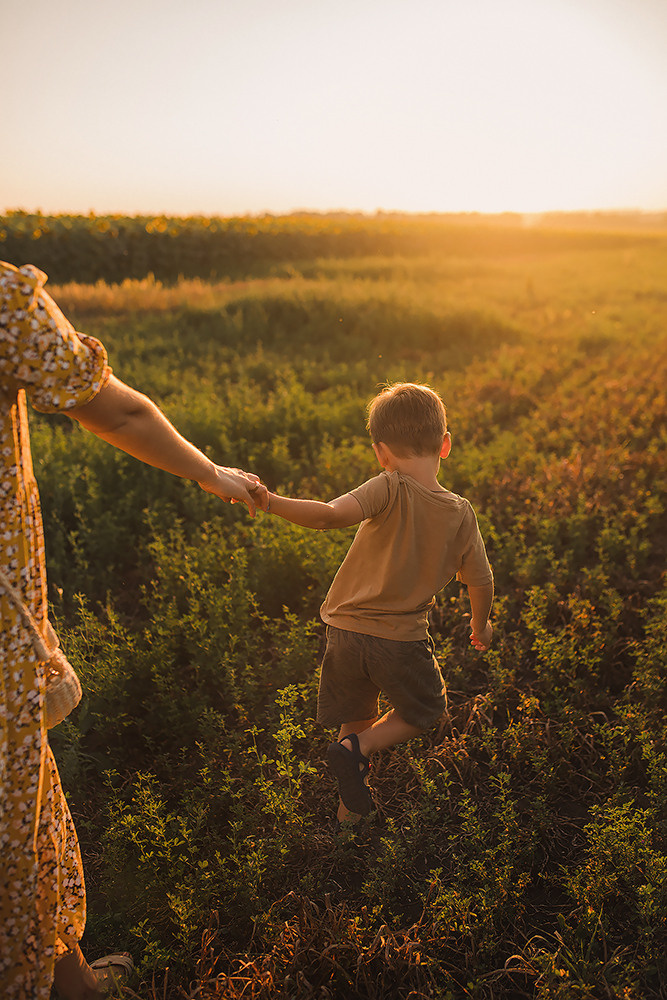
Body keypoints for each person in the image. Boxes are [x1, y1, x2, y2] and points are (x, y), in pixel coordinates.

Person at [0, 261, 264, 1000]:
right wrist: (212, 472)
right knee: (12, 813)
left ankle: (68, 976)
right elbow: (116, 411)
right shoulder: (2, 303)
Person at [258, 382, 493, 828]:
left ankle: (349, 820)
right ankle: (358, 752)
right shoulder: (460, 513)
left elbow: (328, 515)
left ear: (381, 453)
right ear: (445, 445)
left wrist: (269, 501)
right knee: (425, 711)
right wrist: (481, 626)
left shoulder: (386, 487)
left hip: (344, 633)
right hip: (398, 641)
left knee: (356, 717)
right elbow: (481, 580)